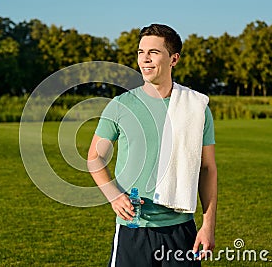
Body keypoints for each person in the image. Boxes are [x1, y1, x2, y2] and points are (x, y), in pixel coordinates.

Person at [87, 24, 217, 266]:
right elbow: (95, 158)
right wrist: (114, 196)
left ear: (174, 59)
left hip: (181, 230)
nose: (144, 59)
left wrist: (208, 225)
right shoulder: (120, 105)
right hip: (133, 228)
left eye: (153, 52)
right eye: (140, 52)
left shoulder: (197, 108)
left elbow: (207, 169)